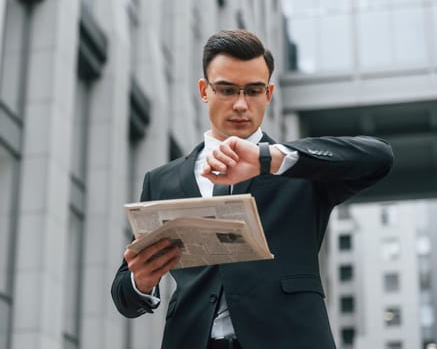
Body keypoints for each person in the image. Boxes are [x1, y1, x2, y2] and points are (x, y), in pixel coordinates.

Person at [111, 29, 394, 349]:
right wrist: (142, 281)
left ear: (269, 93)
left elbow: (379, 157)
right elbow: (124, 293)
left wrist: (268, 159)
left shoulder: (300, 169)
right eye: (227, 90)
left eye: (254, 91)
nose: (241, 104)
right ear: (204, 90)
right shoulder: (161, 181)